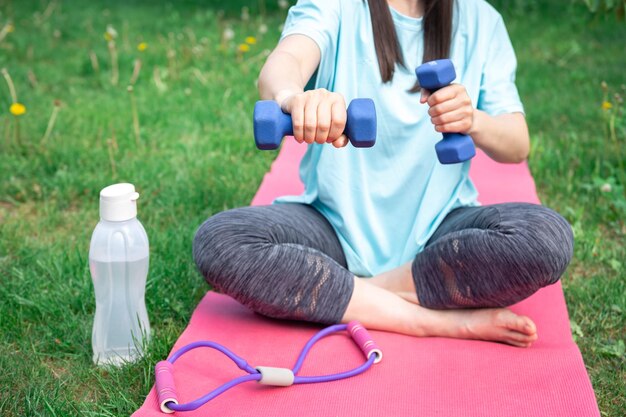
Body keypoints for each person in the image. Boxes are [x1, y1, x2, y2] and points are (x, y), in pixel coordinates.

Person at [193, 0, 574, 348]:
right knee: (221, 241)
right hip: (333, 230)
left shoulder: (482, 20)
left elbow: (517, 144)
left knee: (546, 239)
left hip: (441, 229)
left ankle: (352, 295)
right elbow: (284, 63)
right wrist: (293, 97)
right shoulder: (334, 5)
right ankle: (428, 321)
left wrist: (473, 119)